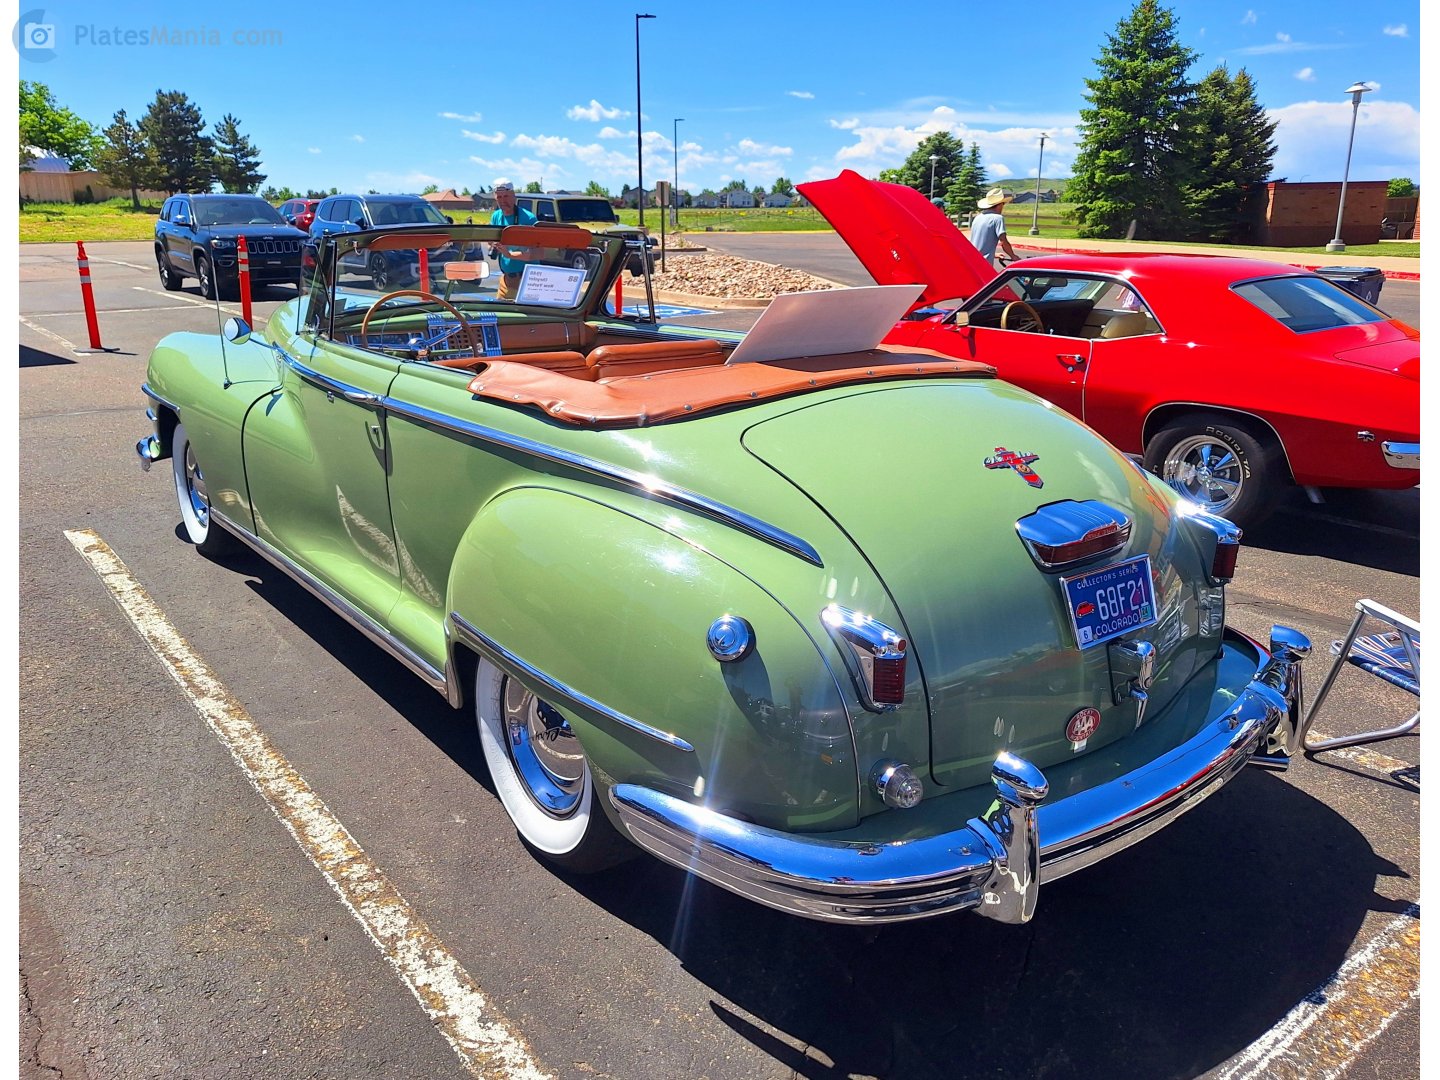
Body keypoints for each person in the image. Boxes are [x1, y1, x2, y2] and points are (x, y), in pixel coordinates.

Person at [488, 181, 537, 299]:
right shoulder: (496, 216)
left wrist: (509, 254)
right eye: (499, 197)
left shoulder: (528, 219)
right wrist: (493, 245)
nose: (503, 201)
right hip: (505, 280)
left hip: (526, 281)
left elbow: (538, 253)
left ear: (514, 196)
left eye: (506, 196)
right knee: (498, 316)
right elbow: (489, 242)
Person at [969, 188, 1018, 266]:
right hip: (985, 263)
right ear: (999, 205)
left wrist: (994, 254)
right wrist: (1013, 256)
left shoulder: (978, 218)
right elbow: (1003, 241)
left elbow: (977, 243)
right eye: (1003, 204)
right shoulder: (997, 218)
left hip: (972, 260)